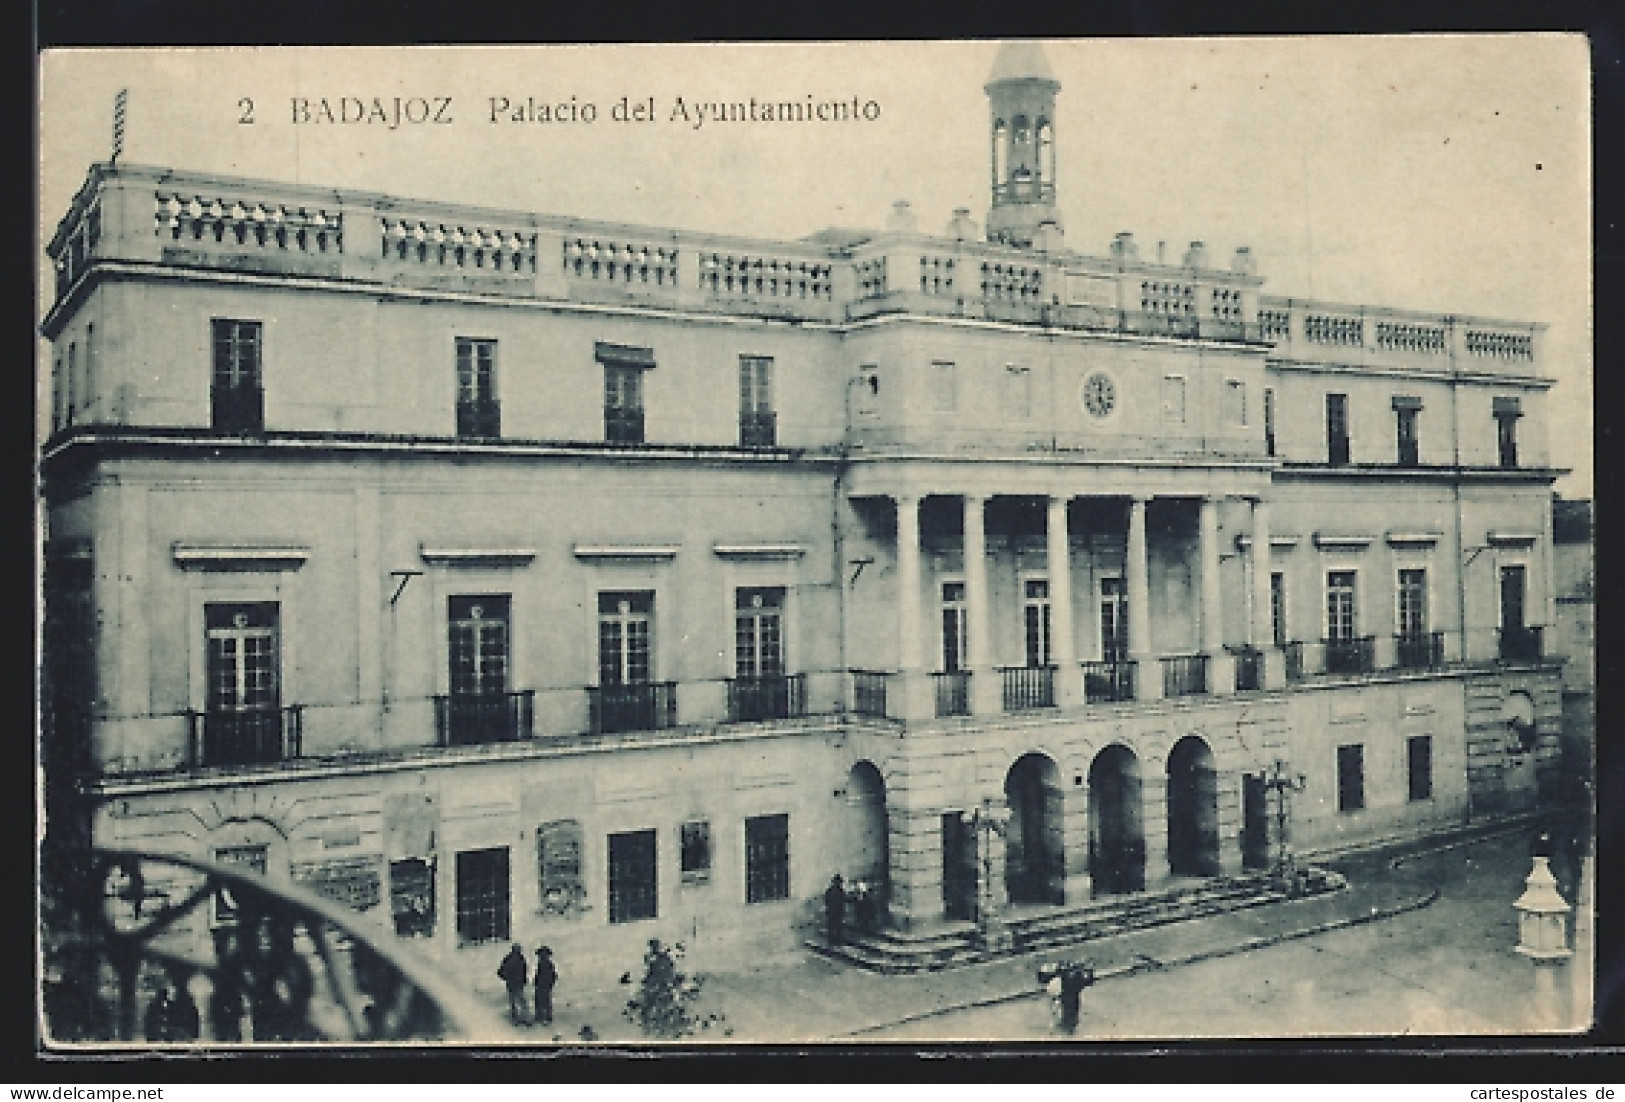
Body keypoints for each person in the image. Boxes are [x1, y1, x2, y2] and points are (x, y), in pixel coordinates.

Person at [497, 943, 529, 1025]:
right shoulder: (521, 959)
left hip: (511, 983)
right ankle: (523, 1017)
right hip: (518, 983)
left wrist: (506, 978)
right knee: (521, 1000)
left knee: (513, 1000)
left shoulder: (508, 959)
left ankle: (515, 1017)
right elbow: (524, 971)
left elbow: (500, 971)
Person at [533, 945, 557, 1027]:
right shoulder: (548, 964)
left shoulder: (544, 964)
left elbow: (541, 975)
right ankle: (547, 1016)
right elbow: (554, 976)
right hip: (546, 985)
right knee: (546, 1000)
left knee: (541, 1000)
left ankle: (541, 1016)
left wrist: (537, 981)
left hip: (542, 985)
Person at [823, 874, 847, 944]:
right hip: (835, 911)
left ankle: (834, 940)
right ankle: (835, 940)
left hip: (834, 911)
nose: (839, 884)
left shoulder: (831, 890)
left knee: (835, 926)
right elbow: (827, 900)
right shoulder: (838, 891)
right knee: (835, 926)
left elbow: (826, 900)